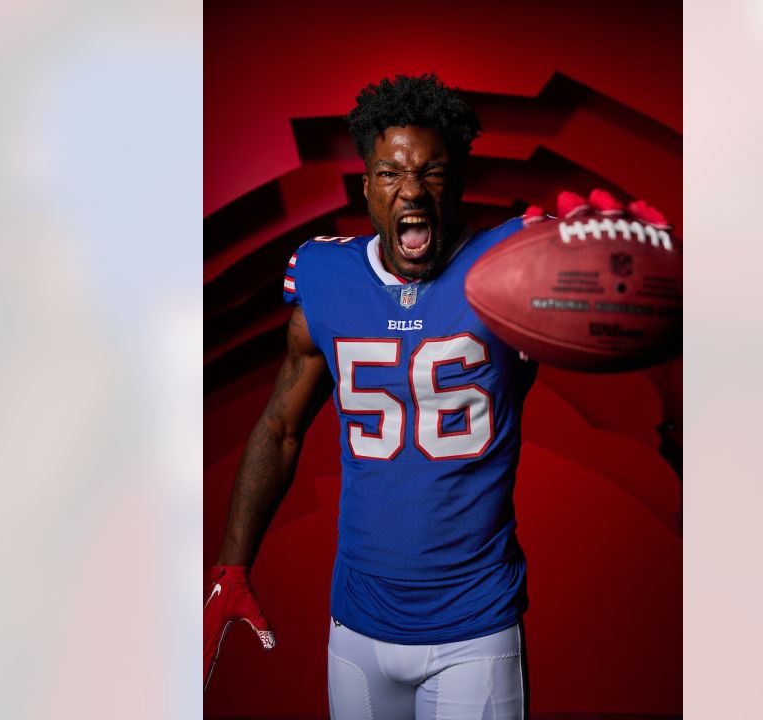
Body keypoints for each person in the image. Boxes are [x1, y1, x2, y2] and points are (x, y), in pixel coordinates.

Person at [205, 72, 667, 719]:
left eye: (432, 172)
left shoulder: (516, 266)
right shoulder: (325, 275)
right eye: (390, 173)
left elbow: (630, 302)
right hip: (358, 624)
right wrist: (233, 566)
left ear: (458, 182)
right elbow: (282, 426)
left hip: (474, 627)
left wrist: (630, 262)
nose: (411, 190)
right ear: (366, 186)